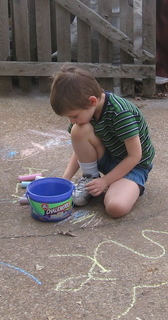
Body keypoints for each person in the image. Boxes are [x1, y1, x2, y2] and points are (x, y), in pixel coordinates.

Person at [49, 66, 154, 219]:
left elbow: (135, 156)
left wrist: (106, 181)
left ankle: (117, 184)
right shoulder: (86, 111)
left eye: (74, 116)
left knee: (115, 207)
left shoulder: (121, 113)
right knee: (78, 131)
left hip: (133, 167)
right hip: (108, 155)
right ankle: (91, 178)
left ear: (92, 101)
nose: (72, 121)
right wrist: (65, 179)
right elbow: (79, 149)